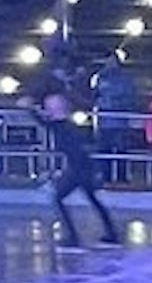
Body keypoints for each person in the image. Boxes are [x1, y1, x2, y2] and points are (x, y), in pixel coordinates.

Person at [42, 90, 118, 245]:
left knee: (58, 199)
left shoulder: (61, 126)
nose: (47, 110)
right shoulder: (68, 125)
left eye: (49, 107)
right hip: (83, 167)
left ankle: (73, 237)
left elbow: (44, 122)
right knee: (93, 200)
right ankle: (111, 234)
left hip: (78, 169)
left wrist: (29, 109)